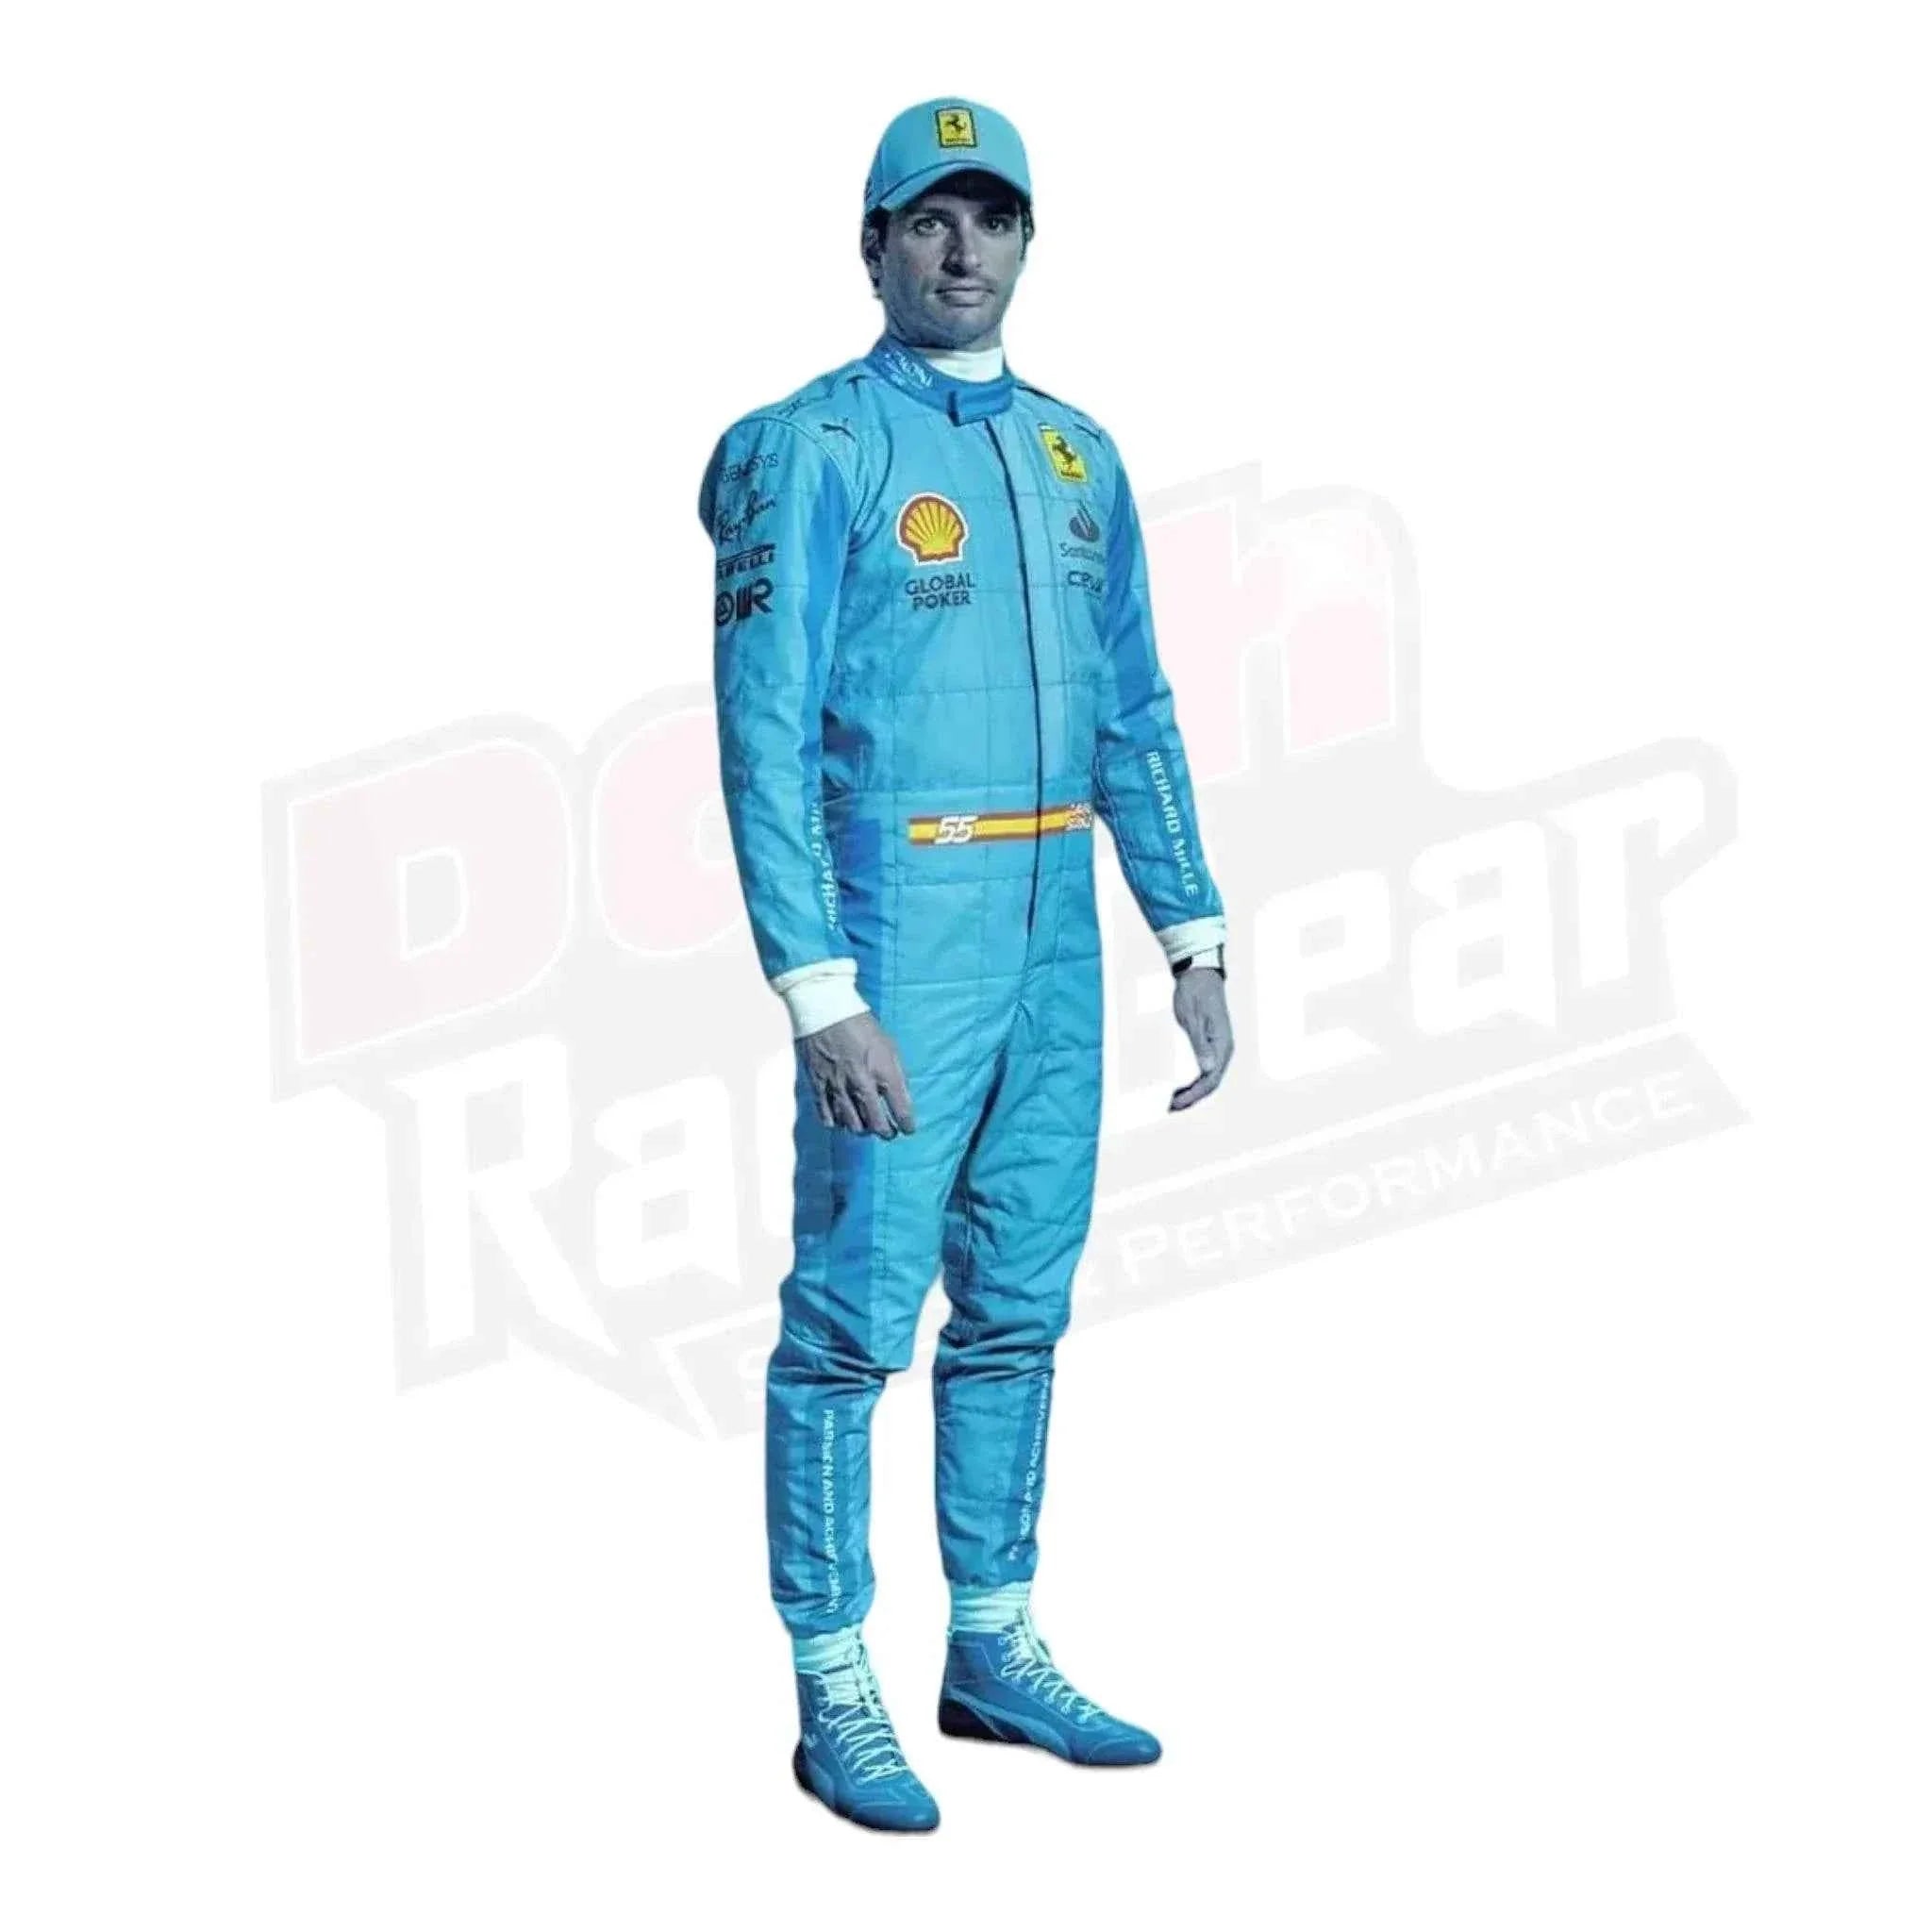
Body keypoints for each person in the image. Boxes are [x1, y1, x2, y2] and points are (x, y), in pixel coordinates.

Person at [697, 96, 1234, 1832]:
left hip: (1052, 933)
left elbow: (1135, 704)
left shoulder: (1079, 458)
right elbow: (763, 733)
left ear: (1024, 243)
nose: (961, 250)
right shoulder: (814, 448)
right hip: (899, 927)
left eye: (990, 218)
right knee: (851, 1323)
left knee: (1017, 1306)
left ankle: (991, 1646)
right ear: (873, 245)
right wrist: (818, 985)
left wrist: (1191, 931)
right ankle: (831, 1680)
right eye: (927, 218)